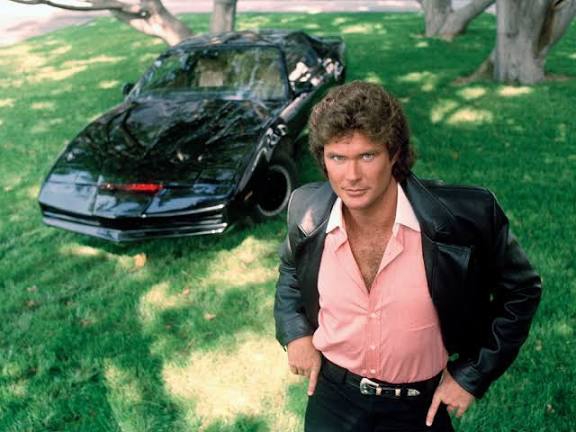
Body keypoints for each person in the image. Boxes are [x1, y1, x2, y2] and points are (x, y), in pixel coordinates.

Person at [273, 81, 541, 431]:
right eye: (337, 157)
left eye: (367, 156)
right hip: (333, 397)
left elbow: (522, 291)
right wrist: (295, 332)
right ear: (323, 157)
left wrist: (472, 374)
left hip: (417, 407)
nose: (351, 176)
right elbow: (292, 272)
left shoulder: (466, 218)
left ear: (395, 154)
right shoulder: (306, 211)